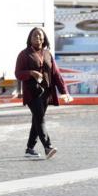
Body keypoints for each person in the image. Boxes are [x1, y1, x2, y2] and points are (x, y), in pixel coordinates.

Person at [15, 27, 73, 159]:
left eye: (40, 36)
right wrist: (31, 73)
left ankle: (30, 148)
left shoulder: (48, 54)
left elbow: (56, 73)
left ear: (44, 38)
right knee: (40, 118)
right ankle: (48, 147)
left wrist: (64, 91)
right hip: (31, 93)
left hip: (46, 93)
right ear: (30, 38)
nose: (38, 38)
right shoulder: (24, 54)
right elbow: (18, 73)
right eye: (35, 36)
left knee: (37, 119)